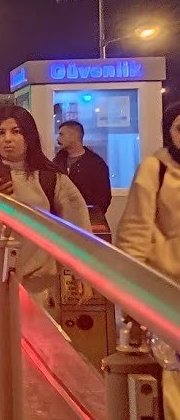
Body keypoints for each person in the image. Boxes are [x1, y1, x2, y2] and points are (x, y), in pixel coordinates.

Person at [0, 105, 91, 294]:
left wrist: (82, 274)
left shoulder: (50, 178)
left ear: (29, 137)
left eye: (16, 131)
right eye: (1, 133)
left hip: (39, 290)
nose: (7, 139)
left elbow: (78, 227)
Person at [116, 102, 180, 418]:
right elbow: (136, 229)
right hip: (169, 288)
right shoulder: (156, 169)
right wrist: (132, 291)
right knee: (174, 375)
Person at [54, 120, 113, 233]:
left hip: (88, 224)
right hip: (61, 223)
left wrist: (90, 216)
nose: (57, 139)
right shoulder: (57, 162)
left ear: (73, 136)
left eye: (61, 134)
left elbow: (104, 197)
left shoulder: (96, 164)